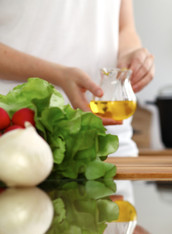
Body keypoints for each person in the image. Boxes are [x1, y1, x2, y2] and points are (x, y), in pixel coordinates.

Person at [0, 0, 154, 157]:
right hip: (17, 138)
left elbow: (125, 28)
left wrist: (131, 52)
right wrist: (58, 75)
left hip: (109, 143)